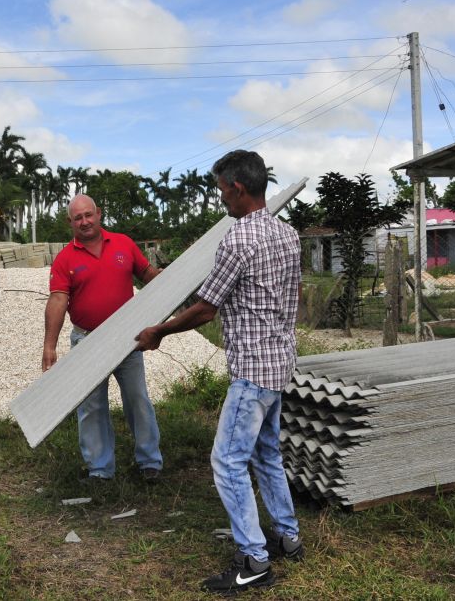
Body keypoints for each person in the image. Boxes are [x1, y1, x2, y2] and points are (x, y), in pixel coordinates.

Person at [135, 150, 304, 595]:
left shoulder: (238, 239)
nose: (221, 200)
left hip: (251, 370)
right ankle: (287, 536)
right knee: (266, 453)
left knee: (227, 462)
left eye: (221, 191)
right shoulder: (288, 234)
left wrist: (160, 331)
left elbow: (206, 309)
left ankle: (254, 559)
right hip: (278, 364)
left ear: (238, 188)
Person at [43, 194, 163, 482]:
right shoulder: (65, 259)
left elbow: (147, 273)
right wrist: (49, 346)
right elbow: (58, 300)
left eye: (88, 215)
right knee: (91, 406)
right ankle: (100, 469)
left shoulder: (123, 243)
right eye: (77, 218)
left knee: (137, 399)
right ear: (69, 223)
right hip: (87, 341)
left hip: (127, 338)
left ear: (98, 214)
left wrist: (176, 281)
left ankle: (150, 463)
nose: (84, 222)